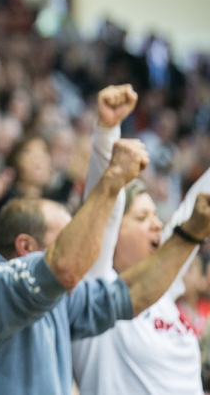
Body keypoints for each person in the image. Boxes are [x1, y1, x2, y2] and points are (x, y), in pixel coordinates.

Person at [0, 86, 210, 395]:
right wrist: (111, 177)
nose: (87, 247)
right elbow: (64, 266)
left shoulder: (59, 304)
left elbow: (132, 294)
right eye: (67, 237)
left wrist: (189, 234)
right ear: (27, 249)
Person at [72, 85, 208, 394]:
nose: (158, 226)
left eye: (156, 217)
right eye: (142, 218)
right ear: (112, 237)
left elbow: (198, 205)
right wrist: (106, 134)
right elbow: (100, 208)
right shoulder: (95, 295)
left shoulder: (163, 287)